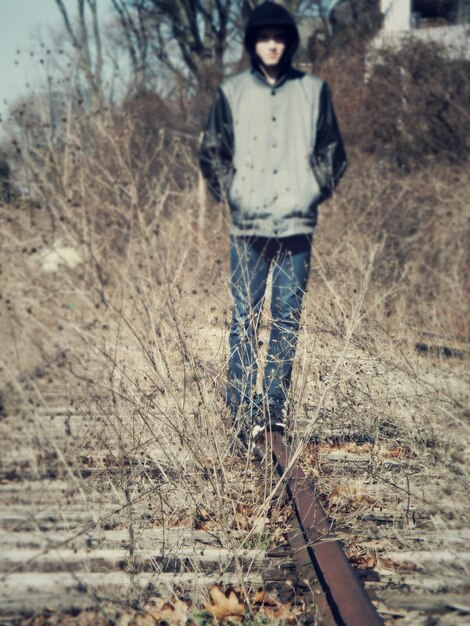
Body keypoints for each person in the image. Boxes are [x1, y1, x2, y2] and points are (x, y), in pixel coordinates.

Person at [198, 1, 346, 441]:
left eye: (279, 37)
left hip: (297, 224)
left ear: (290, 42)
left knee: (286, 317)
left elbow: (333, 154)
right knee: (244, 316)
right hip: (248, 226)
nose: (272, 45)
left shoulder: (314, 91)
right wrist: (235, 193)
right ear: (252, 43)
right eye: (264, 37)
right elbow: (212, 153)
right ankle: (242, 414)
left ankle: (273, 411)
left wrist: (310, 189)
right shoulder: (233, 93)